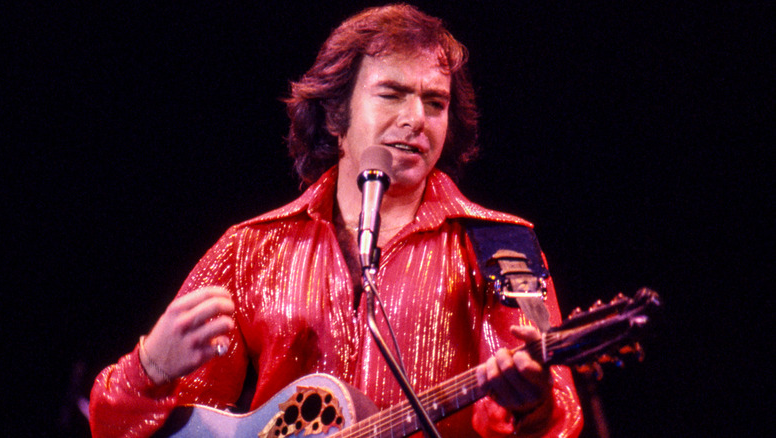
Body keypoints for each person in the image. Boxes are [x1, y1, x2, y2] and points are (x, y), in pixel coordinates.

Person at [89, 4, 583, 437]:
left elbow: (558, 419)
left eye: (435, 102)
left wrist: (532, 406)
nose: (416, 118)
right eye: (391, 93)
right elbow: (125, 428)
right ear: (334, 115)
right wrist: (149, 367)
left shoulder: (503, 247)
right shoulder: (249, 250)